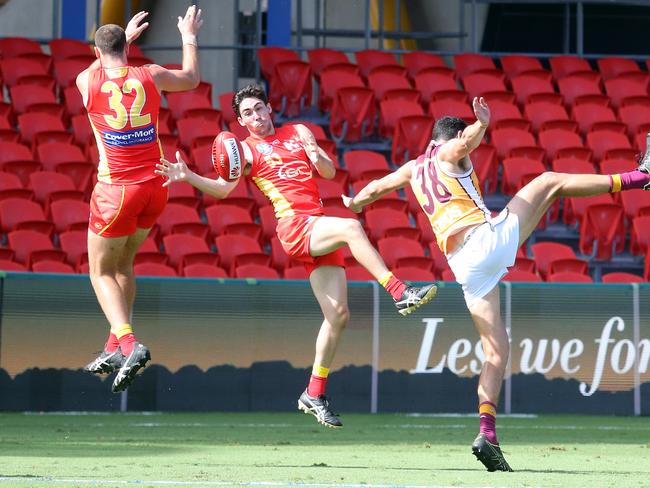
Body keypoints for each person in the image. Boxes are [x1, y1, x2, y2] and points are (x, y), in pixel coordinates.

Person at [342, 97, 650, 471]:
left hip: (463, 268)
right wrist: (482, 124)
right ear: (450, 136)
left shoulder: (412, 168)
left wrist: (355, 202)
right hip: (482, 240)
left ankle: (487, 433)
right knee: (550, 181)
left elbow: (375, 189)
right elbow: (465, 143)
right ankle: (642, 177)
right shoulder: (450, 151)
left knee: (495, 352)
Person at [155, 84, 437, 428]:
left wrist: (318, 158)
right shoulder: (244, 151)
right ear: (241, 122)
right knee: (350, 228)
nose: (256, 117)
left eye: (259, 108)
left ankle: (313, 392)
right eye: (247, 113)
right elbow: (224, 190)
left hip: (316, 224)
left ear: (270, 108)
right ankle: (399, 292)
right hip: (294, 226)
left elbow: (330, 172)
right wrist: (188, 177)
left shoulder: (299, 132)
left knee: (338, 316)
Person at [77, 6, 203, 393]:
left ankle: (129, 344)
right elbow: (192, 79)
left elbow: (106, 62)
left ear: (98, 52)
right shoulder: (150, 75)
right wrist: (188, 37)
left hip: (116, 190)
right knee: (124, 264)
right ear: (128, 50)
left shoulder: (86, 79)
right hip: (156, 186)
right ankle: (114, 345)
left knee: (99, 272)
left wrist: (122, 41)